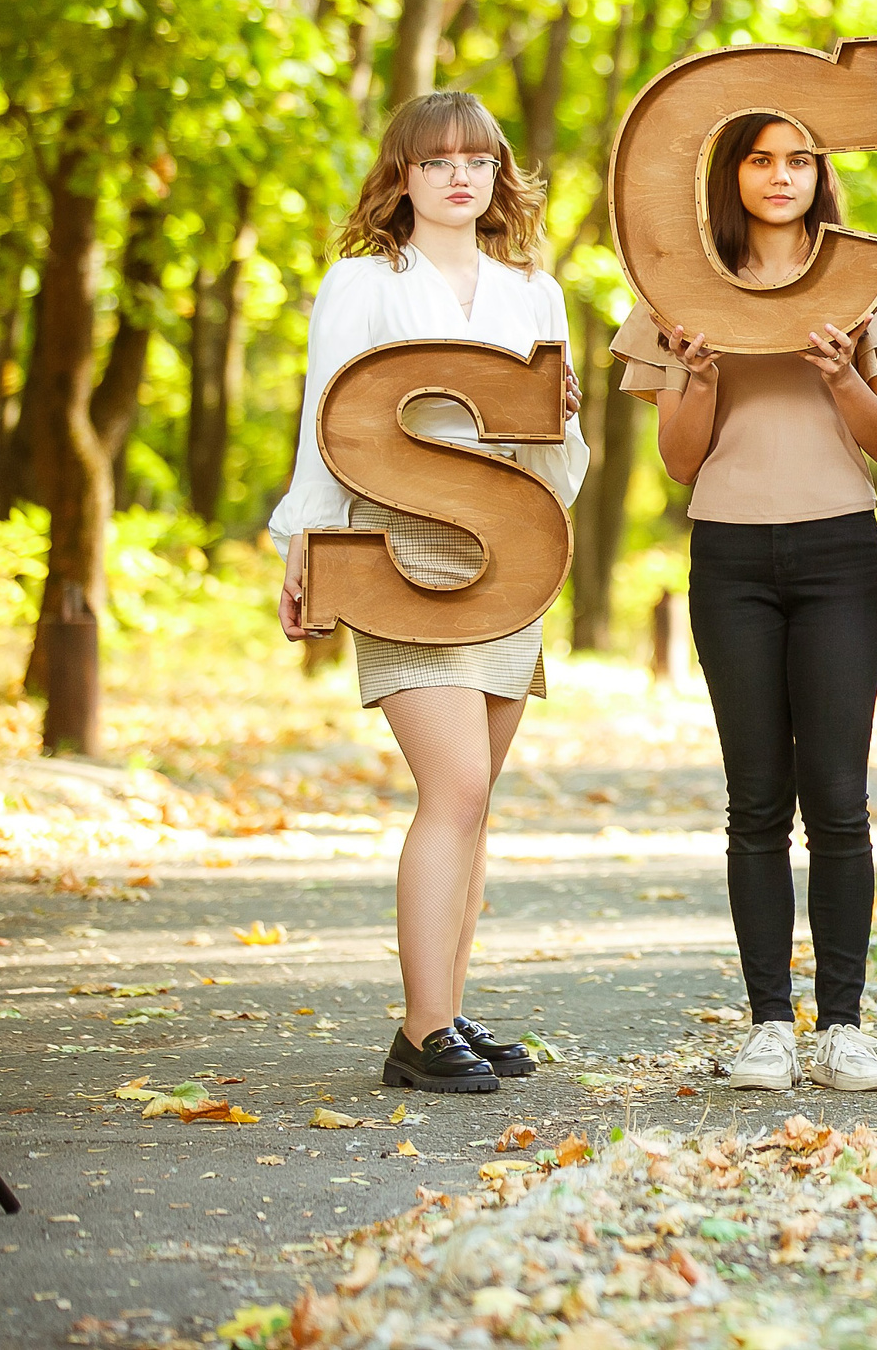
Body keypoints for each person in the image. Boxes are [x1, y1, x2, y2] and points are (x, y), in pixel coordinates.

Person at [611, 111, 877, 1096]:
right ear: (733, 171)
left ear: (821, 172)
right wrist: (698, 381)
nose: (782, 174)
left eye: (801, 158)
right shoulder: (678, 284)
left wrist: (841, 376)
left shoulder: (872, 279)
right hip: (731, 557)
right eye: (761, 157)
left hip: (840, 552)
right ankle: (767, 1026)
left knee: (837, 799)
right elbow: (676, 462)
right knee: (755, 801)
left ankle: (842, 1026)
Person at [272, 91, 590, 1094]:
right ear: (401, 175)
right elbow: (327, 420)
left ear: (500, 175)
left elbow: (559, 457)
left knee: (476, 800)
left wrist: (560, 416)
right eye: (437, 159)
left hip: (507, 548)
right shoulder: (362, 283)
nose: (460, 175)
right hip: (401, 546)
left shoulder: (532, 290)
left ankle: (446, 1007)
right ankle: (420, 1033)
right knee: (449, 790)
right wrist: (304, 546)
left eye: (478, 160)